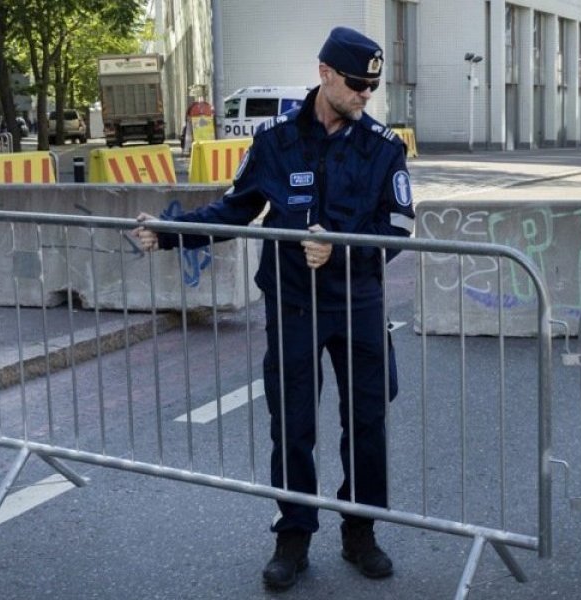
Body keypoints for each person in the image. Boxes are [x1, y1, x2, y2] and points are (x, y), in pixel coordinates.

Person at [132, 26, 413, 592]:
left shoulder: (383, 147)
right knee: (293, 427)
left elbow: (400, 228)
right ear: (325, 74)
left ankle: (360, 533)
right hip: (293, 306)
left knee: (366, 424)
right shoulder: (275, 143)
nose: (364, 95)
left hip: (358, 303)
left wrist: (340, 243)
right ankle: (294, 537)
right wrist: (169, 232)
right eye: (356, 84)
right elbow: (234, 209)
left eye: (371, 88)